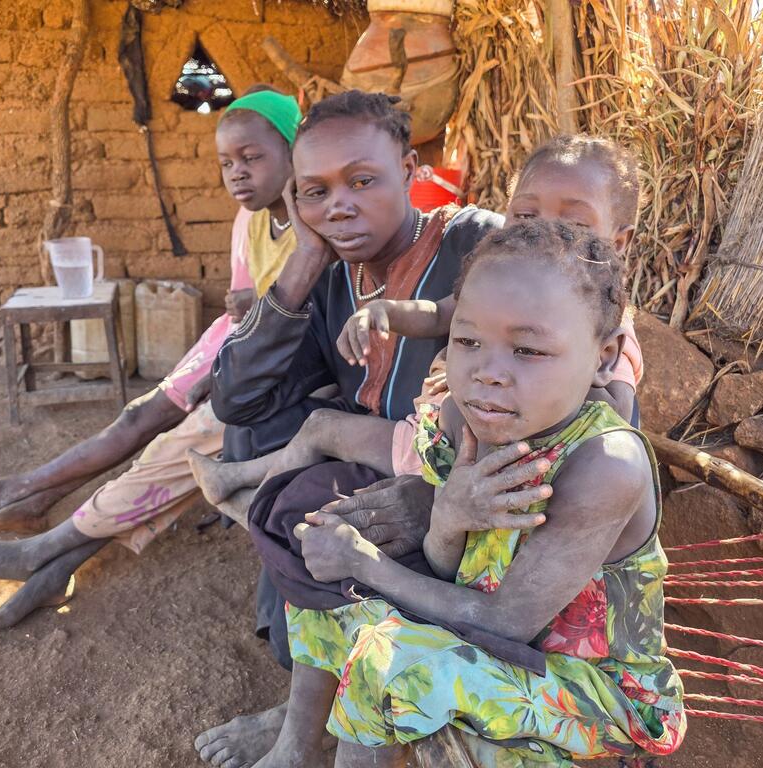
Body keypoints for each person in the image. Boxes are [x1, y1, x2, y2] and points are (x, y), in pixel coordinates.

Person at [256, 220, 686, 768]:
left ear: (604, 358)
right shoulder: (468, 418)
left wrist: (367, 564)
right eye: (467, 340)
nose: (488, 372)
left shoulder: (603, 465)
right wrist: (445, 517)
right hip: (483, 637)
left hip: (594, 690)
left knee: (390, 658)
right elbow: (446, 568)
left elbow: (508, 623)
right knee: (328, 602)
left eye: (527, 350)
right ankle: (294, 749)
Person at [196, 90, 517, 768]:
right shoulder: (333, 274)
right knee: (256, 439)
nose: (338, 205)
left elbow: (553, 374)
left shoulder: (474, 242)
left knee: (306, 487)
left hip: (470, 490)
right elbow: (238, 398)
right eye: (314, 191)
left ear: (408, 168)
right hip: (375, 471)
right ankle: (310, 689)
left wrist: (435, 496)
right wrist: (305, 263)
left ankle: (319, 708)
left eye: (362, 181)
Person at [0, 87, 302, 629]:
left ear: (295, 152)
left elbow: (295, 318)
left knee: (166, 449)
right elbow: (242, 307)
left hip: (273, 371)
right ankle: (33, 504)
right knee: (143, 421)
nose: (237, 173)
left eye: (252, 158)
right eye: (227, 163)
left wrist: (243, 337)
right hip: (237, 351)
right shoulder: (248, 223)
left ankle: (45, 554)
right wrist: (232, 342)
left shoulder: (316, 228)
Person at [189, 134, 648, 505]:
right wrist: (385, 311)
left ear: (620, 242)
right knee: (317, 430)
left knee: (324, 431)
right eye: (526, 214)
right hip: (432, 431)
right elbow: (438, 314)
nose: (542, 230)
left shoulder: (604, 323)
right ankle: (246, 483)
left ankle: (246, 489)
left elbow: (617, 422)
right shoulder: (494, 288)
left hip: (462, 455)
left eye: (576, 224)